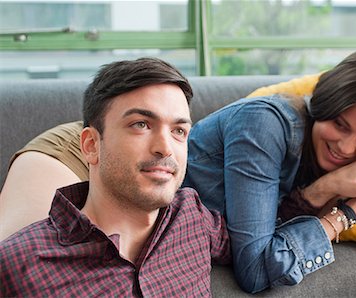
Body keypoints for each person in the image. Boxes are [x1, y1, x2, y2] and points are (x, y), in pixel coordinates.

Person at [0, 49, 356, 294]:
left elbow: (255, 239)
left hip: (157, 183)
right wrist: (341, 207)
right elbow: (257, 266)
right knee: (32, 263)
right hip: (77, 151)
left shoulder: (195, 219)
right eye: (340, 125)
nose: (346, 147)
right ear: (320, 106)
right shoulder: (268, 126)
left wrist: (339, 194)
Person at [0, 58, 231, 297]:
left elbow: (257, 247)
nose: (165, 148)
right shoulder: (18, 267)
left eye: (178, 131)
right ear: (91, 145)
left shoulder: (193, 217)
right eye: (141, 124)